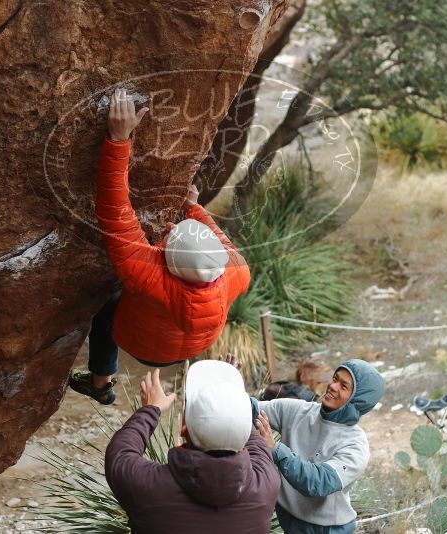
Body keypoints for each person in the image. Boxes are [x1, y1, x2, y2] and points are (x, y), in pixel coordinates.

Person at [68, 88, 251, 404]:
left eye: (170, 237)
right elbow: (218, 242)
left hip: (141, 343)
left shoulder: (147, 274)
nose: (169, 227)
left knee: (105, 302)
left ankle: (100, 382)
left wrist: (119, 139)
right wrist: (194, 210)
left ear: (166, 262)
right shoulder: (237, 270)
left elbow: (114, 207)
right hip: (187, 346)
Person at [104, 361, 281, 534]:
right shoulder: (266, 485)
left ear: (184, 428)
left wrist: (151, 408)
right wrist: (229, 402)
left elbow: (120, 452)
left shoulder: (147, 486)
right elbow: (249, 438)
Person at [252, 360, 385, 534]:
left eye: (343, 386)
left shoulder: (355, 446)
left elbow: (318, 483)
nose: (333, 386)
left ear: (357, 400)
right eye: (335, 378)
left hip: (328, 528)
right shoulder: (297, 411)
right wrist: (227, 383)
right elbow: (251, 409)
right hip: (290, 519)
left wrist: (275, 449)